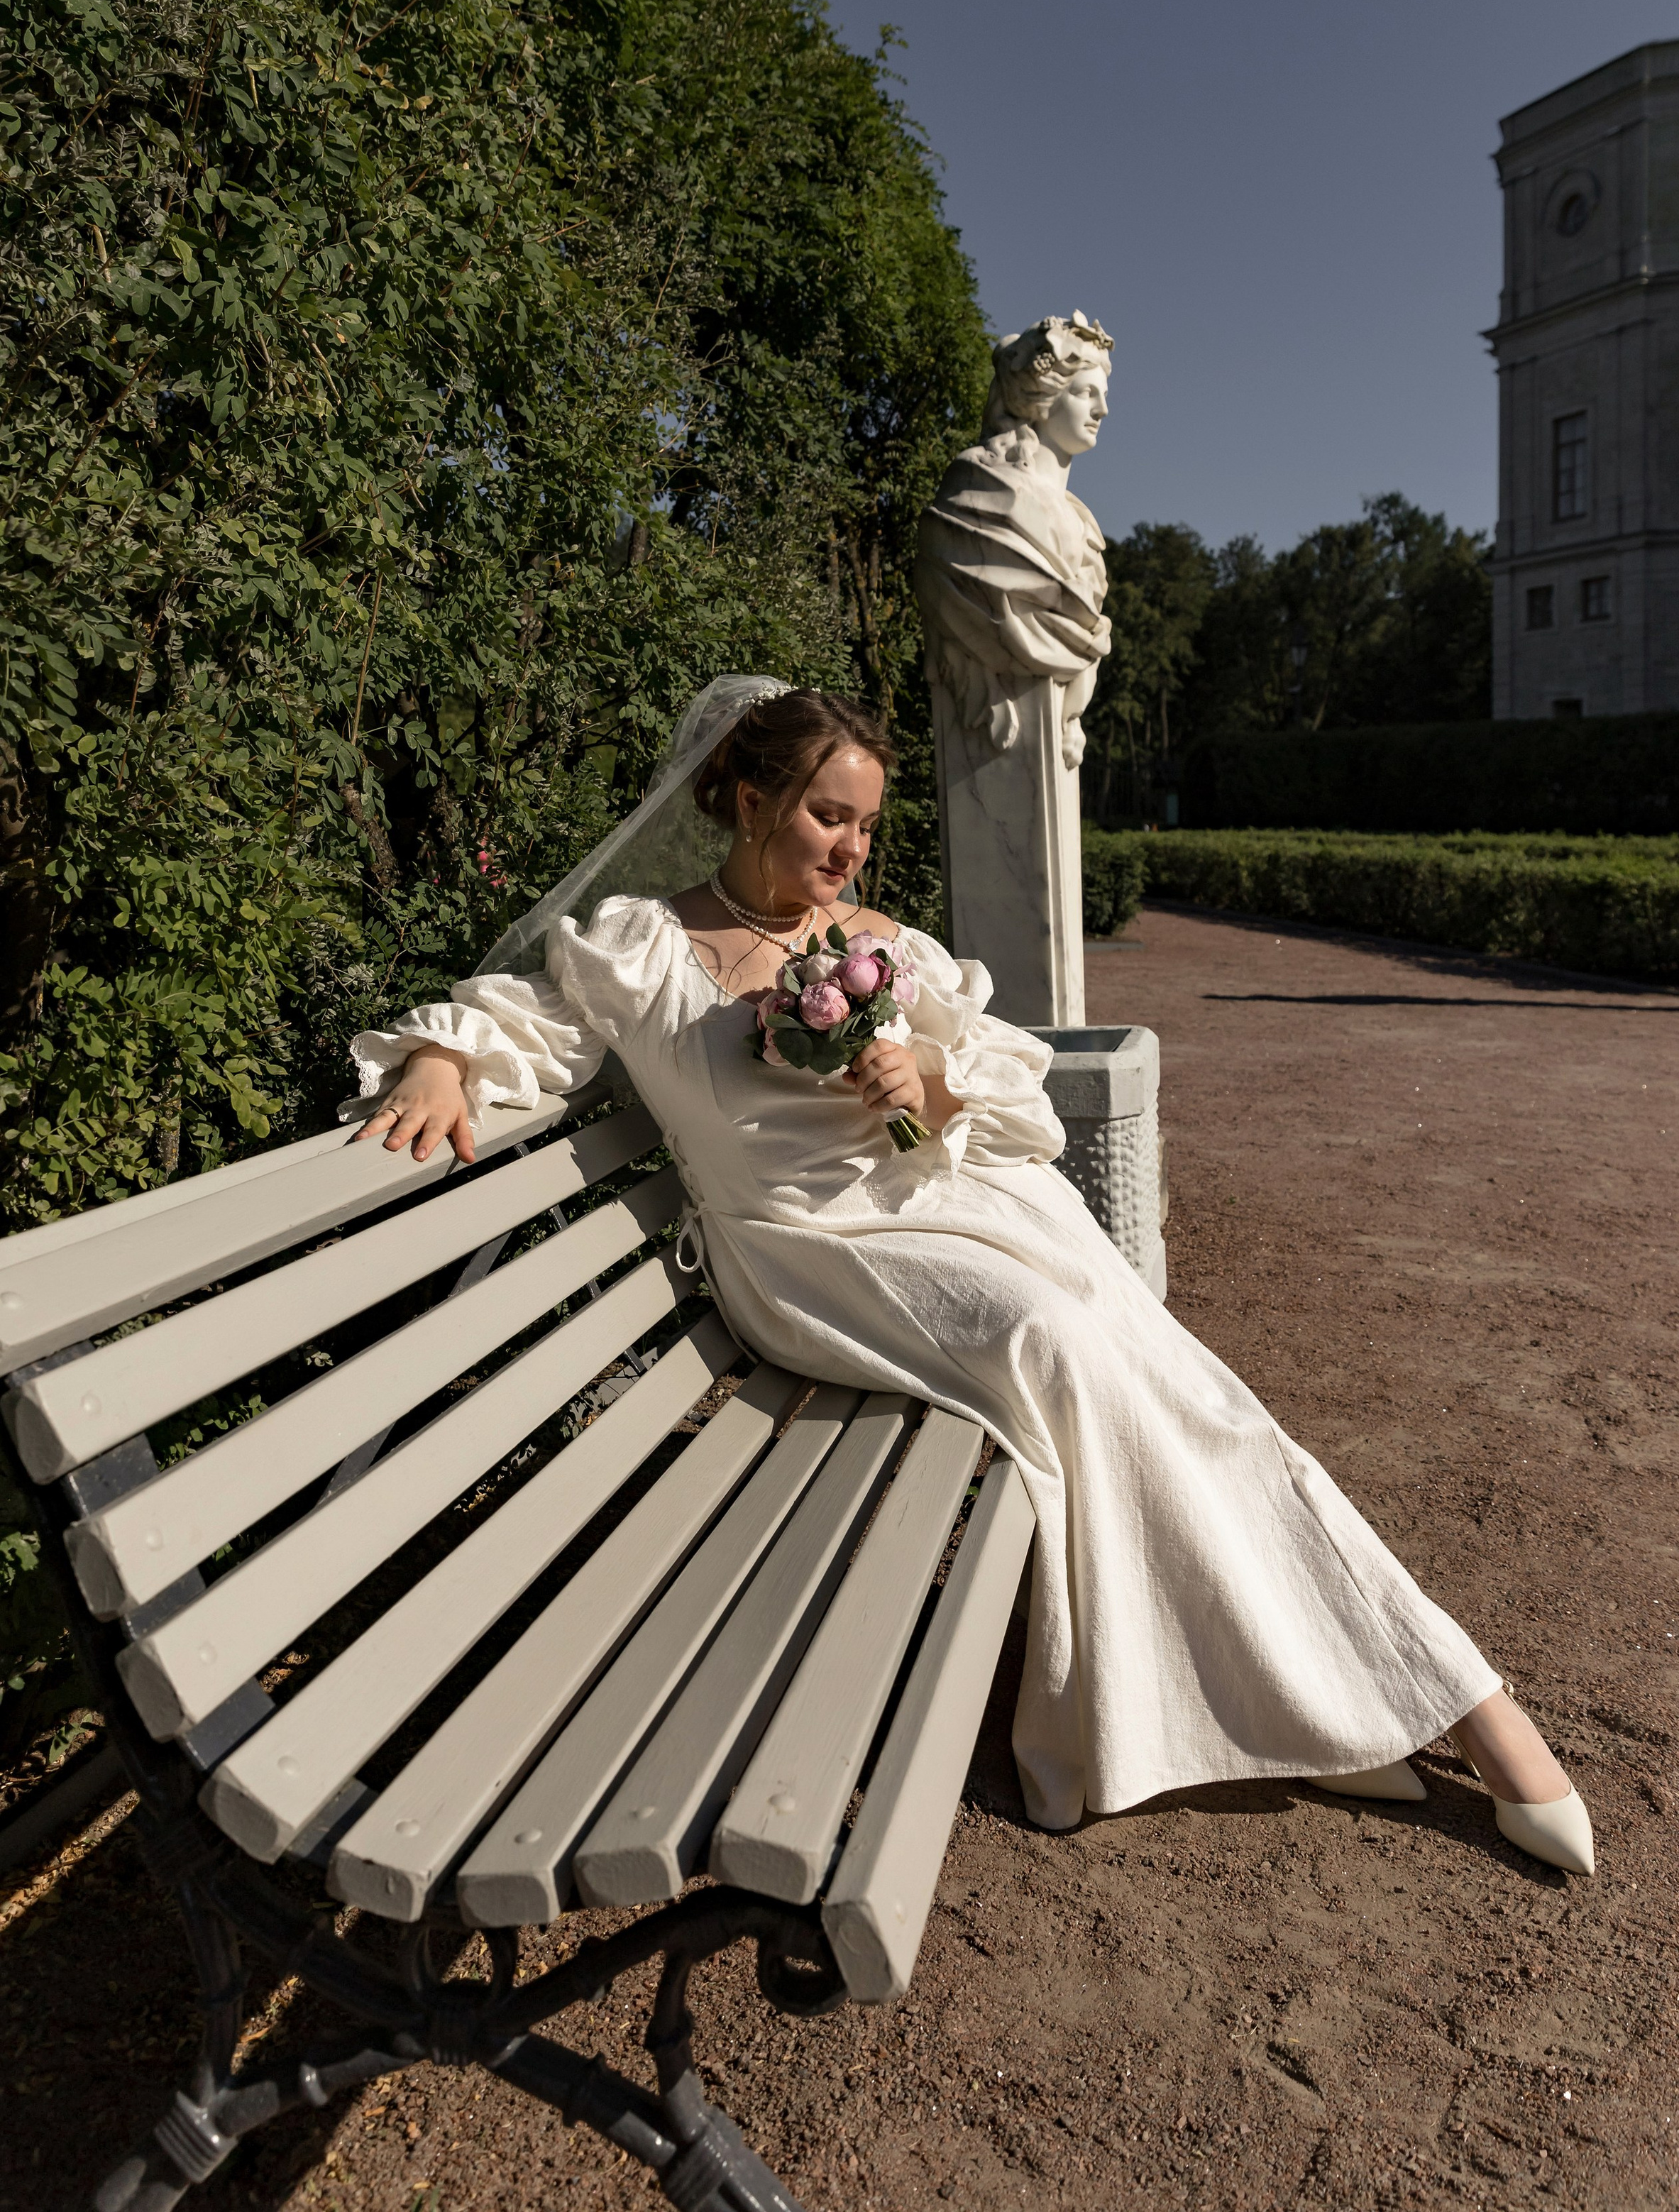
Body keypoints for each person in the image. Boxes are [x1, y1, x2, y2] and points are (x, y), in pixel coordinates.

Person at [353, 681, 1595, 1876]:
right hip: (810, 1252)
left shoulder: (885, 948)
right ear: (746, 799)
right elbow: (516, 1016)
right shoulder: (646, 946)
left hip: (966, 1209)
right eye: (827, 815)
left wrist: (928, 1087)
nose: (852, 848)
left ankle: (1411, 1691)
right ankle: (1379, 1695)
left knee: (1181, 1384)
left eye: (868, 824)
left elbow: (1002, 1090)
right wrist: (439, 1062)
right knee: (1060, 1341)